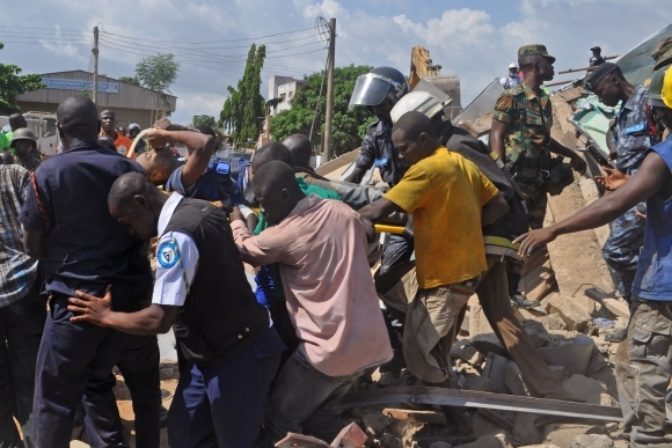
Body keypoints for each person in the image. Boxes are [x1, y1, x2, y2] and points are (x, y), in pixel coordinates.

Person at [67, 172, 285, 447]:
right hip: (210, 354)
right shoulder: (202, 208)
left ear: (142, 202)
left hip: (238, 357)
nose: (129, 231)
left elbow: (159, 319)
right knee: (185, 434)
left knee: (236, 441)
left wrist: (106, 316)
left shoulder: (176, 238)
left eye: (127, 221)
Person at [515, 64, 672, 448]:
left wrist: (554, 228)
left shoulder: (663, 156)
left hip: (664, 282)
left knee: (640, 364)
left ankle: (648, 438)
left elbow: (615, 205)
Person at [386, 91, 566, 397]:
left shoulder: (457, 147)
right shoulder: (447, 147)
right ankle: (550, 390)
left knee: (440, 309)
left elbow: (501, 192)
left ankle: (439, 393)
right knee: (498, 313)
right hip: (486, 241)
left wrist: (462, 226)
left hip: (485, 241)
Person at [20, 96, 153, 447]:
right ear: (98, 127)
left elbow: (30, 246)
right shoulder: (131, 170)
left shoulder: (46, 174)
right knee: (99, 384)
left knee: (53, 402)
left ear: (60, 130)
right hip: (126, 305)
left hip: (74, 307)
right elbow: (145, 234)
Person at [231, 161, 392, 442]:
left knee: (278, 416)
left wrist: (236, 220)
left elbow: (247, 249)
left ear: (284, 193)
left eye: (265, 203)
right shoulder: (343, 212)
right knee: (322, 416)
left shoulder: (287, 233)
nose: (264, 211)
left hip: (329, 352)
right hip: (371, 344)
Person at [359, 111, 509, 384]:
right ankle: (426, 351)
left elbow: (377, 210)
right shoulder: (460, 163)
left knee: (419, 355)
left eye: (405, 149)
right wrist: (467, 227)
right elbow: (499, 205)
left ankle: (448, 404)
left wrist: (352, 219)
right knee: (387, 284)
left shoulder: (425, 170)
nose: (401, 156)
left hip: (448, 278)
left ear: (424, 140)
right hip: (464, 267)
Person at [490, 44, 587, 229]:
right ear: (535, 63)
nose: (552, 67)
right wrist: (501, 178)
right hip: (516, 182)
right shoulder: (513, 97)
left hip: (538, 182)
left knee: (535, 237)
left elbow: (543, 140)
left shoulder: (543, 100)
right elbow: (496, 135)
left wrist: (572, 155)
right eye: (548, 62)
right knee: (515, 236)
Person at [583, 62, 655, 306]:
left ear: (614, 79)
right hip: (627, 192)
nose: (600, 98)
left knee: (615, 251)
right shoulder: (621, 116)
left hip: (647, 191)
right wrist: (616, 175)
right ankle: (636, 312)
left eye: (600, 90)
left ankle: (655, 293)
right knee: (622, 254)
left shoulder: (648, 102)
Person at [346, 66, 414, 292]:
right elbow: (358, 169)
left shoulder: (417, 127)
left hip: (427, 208)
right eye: (373, 105)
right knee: (387, 279)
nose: (376, 110)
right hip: (397, 210)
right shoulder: (374, 133)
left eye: (381, 104)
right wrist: (337, 192)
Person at [0, 162, 44, 447]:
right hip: (22, 284)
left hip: (22, 286)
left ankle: (8, 442)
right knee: (28, 371)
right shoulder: (15, 174)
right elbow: (38, 222)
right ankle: (32, 439)